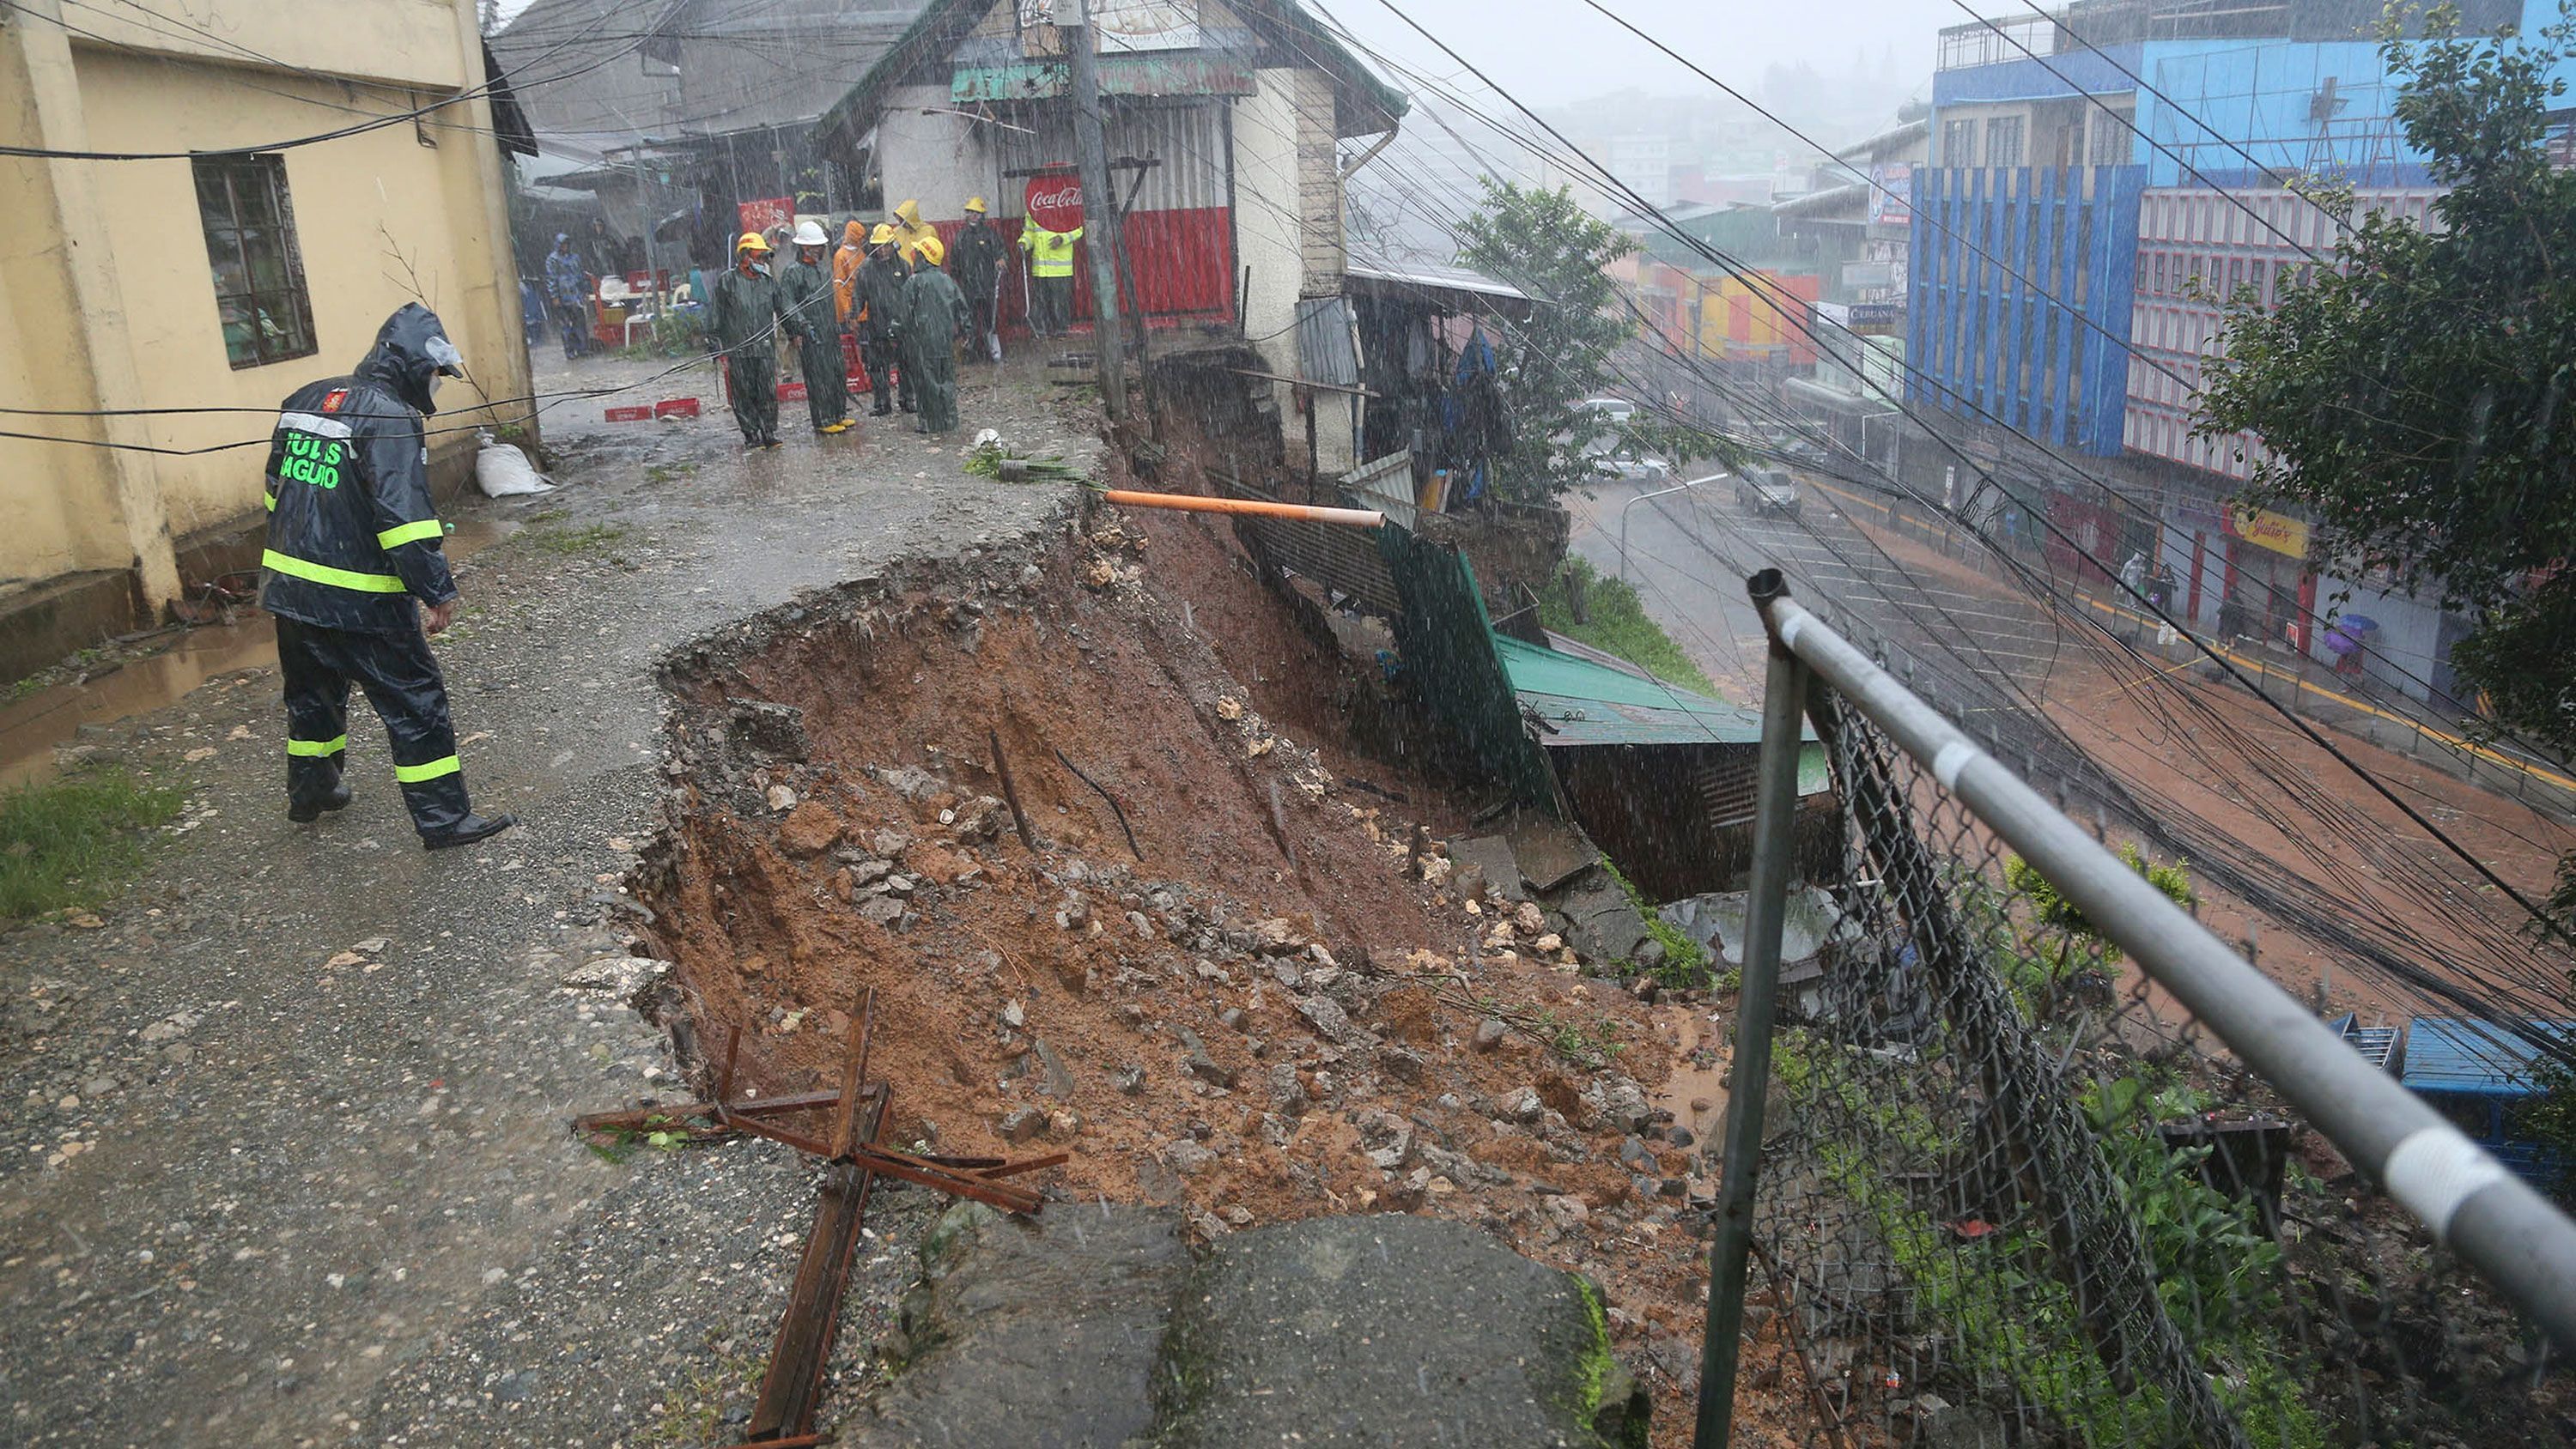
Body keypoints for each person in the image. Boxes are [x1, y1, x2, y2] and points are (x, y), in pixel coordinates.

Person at [260, 303, 513, 851]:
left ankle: (311, 791)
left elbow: (275, 493)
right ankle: (444, 819)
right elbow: (404, 518)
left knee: (312, 694)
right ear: (411, 367)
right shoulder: (390, 417)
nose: (435, 388)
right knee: (416, 703)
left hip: (291, 591)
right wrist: (437, 589)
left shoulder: (305, 400)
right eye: (433, 377)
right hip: (362, 601)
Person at [707, 231, 803, 448]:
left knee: (767, 391)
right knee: (743, 392)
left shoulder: (768, 283)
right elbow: (715, 316)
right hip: (737, 349)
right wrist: (716, 347)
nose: (762, 262)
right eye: (758, 257)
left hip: (764, 348)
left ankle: (768, 431)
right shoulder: (727, 282)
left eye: (764, 258)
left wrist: (795, 332)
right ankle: (751, 433)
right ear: (745, 257)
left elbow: (783, 311)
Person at [780, 221, 854, 434]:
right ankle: (823, 419)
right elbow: (787, 303)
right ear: (806, 248)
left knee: (836, 372)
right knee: (818, 376)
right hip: (811, 334)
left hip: (829, 331)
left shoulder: (822, 270)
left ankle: (839, 413)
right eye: (818, 247)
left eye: (822, 247)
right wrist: (800, 326)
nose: (821, 251)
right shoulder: (793, 273)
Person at [897, 233, 970, 434]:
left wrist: (894, 333)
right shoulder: (948, 281)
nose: (913, 256)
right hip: (945, 341)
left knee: (926, 382)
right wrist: (966, 333)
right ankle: (949, 420)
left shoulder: (914, 282)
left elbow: (903, 314)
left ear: (923, 257)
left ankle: (929, 422)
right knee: (946, 380)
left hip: (922, 341)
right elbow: (963, 309)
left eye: (917, 253)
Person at [855, 222, 914, 417]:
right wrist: (853, 315)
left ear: (893, 244)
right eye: (879, 246)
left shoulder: (903, 266)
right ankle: (882, 402)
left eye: (886, 245)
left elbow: (911, 295)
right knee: (877, 366)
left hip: (901, 325)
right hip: (876, 325)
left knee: (906, 364)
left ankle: (907, 399)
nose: (883, 250)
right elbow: (859, 297)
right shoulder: (866, 269)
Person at [950, 196, 1008, 363]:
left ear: (982, 215)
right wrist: (956, 282)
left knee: (991, 319)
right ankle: (970, 353)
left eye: (977, 213)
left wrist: (1002, 260)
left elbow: (1002, 252)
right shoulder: (961, 237)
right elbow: (954, 262)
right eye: (971, 212)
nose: (974, 216)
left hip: (988, 285)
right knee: (969, 321)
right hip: (968, 287)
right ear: (967, 214)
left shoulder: (990, 235)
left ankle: (992, 352)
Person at [1018, 210, 1083, 336]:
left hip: (1060, 267)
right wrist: (1024, 243)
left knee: (1060, 302)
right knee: (1040, 301)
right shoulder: (1032, 209)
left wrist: (1062, 239)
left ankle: (1061, 331)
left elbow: (1079, 229)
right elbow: (1030, 233)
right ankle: (1041, 331)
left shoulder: (1064, 207)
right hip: (1040, 268)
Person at [544, 233, 592, 360]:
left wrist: (585, 291)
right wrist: (554, 296)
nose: (565, 246)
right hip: (562, 296)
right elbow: (551, 279)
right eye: (563, 244)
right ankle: (570, 351)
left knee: (580, 323)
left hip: (576, 296)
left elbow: (581, 275)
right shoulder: (552, 259)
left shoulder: (575, 258)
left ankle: (582, 349)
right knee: (566, 325)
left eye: (567, 244)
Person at [888, 198, 937, 266]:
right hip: (903, 270)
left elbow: (935, 254)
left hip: (923, 270)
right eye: (899, 219)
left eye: (903, 219)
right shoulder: (896, 232)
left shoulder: (929, 231)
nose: (900, 222)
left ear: (910, 218)